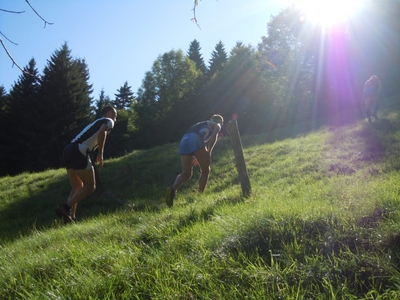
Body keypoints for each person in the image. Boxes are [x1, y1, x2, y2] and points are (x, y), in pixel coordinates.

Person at [55, 105, 117, 223]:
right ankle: (65, 207)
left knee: (77, 186)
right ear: (108, 113)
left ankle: (70, 218)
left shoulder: (95, 122)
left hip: (69, 149)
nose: (115, 119)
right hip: (80, 149)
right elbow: (102, 131)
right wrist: (100, 153)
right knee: (90, 186)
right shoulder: (108, 121)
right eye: (115, 115)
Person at [165, 114, 224, 207]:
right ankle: (200, 196)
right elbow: (214, 136)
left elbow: (195, 138)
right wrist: (208, 151)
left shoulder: (202, 123)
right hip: (195, 139)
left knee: (186, 173)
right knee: (206, 170)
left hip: (184, 139)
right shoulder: (217, 125)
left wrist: (197, 155)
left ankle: (172, 190)